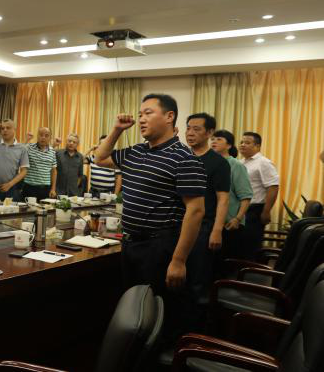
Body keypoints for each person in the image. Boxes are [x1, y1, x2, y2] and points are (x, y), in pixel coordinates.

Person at [94, 93, 206, 343]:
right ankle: (131, 353)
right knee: (133, 307)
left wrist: (178, 260)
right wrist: (117, 129)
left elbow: (196, 211)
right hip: (131, 242)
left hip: (160, 245)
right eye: (140, 114)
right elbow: (99, 158)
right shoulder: (136, 151)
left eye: (148, 113)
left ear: (169, 117)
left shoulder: (184, 158)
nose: (142, 119)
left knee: (157, 311)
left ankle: (157, 355)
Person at [184, 113, 230, 328]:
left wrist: (217, 230)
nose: (190, 133)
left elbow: (223, 199)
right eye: (188, 128)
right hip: (179, 225)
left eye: (196, 129)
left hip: (203, 227)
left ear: (209, 132)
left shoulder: (218, 163)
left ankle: (197, 330)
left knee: (198, 279)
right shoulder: (182, 157)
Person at [211, 130, 253, 261]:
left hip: (229, 224)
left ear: (229, 145)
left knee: (225, 263)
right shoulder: (210, 163)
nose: (214, 141)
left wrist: (237, 219)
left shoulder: (236, 165)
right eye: (212, 139)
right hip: (211, 222)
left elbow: (246, 196)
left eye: (219, 139)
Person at [239, 132, 280, 260]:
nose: (242, 145)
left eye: (247, 143)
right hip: (241, 209)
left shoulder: (263, 162)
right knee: (240, 245)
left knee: (250, 246)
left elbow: (273, 186)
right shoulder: (241, 162)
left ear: (257, 146)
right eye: (241, 142)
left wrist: (266, 211)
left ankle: (251, 270)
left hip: (255, 210)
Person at [22, 127, 57, 200]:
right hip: (29, 188)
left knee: (45, 207)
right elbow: (19, 152)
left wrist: (53, 188)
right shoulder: (29, 147)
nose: (43, 137)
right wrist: (26, 140)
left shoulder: (52, 151)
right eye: (41, 135)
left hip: (45, 189)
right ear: (37, 136)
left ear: (50, 138)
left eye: (46, 135)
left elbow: (53, 171)